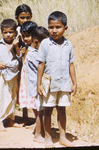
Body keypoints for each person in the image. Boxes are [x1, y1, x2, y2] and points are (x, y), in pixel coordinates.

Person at [37, 11, 78, 147]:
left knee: (62, 110)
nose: (54, 31)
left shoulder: (68, 45)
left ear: (65, 28)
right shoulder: (45, 44)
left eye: (58, 27)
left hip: (64, 83)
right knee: (48, 110)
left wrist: (74, 82)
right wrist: (38, 85)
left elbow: (71, 64)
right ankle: (48, 138)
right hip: (49, 84)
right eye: (51, 27)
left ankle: (62, 137)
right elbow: (41, 65)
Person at [26, 26, 49, 143]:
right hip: (37, 86)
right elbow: (42, 67)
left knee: (42, 110)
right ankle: (38, 134)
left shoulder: (33, 52)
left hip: (36, 85)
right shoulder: (34, 55)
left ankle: (40, 131)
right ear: (36, 42)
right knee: (41, 111)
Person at [18, 21, 38, 126]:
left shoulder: (37, 49)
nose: (25, 39)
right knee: (31, 102)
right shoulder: (27, 48)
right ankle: (38, 123)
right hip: (27, 79)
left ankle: (40, 124)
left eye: (28, 36)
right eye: (24, 36)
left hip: (34, 79)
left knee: (36, 102)